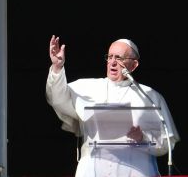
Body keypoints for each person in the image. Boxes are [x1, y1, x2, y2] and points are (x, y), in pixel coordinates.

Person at [45, 35, 180, 177]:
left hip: (136, 171)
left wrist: (143, 139)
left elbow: (167, 144)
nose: (112, 62)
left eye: (119, 58)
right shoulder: (88, 87)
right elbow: (57, 98)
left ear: (134, 65)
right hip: (93, 170)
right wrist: (57, 67)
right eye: (110, 57)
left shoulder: (150, 96)